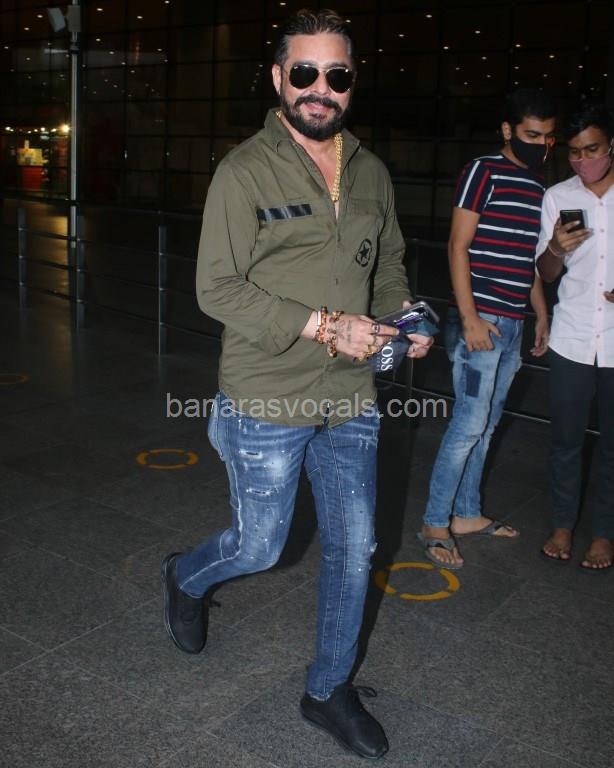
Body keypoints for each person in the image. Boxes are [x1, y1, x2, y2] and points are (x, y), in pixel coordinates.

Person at [160, 8, 432, 759]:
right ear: (279, 77)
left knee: (356, 547)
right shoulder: (244, 171)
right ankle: (185, 577)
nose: (321, 89)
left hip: (350, 398)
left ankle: (328, 690)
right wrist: (326, 325)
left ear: (352, 82)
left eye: (336, 75)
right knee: (260, 545)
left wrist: (404, 318)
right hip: (268, 395)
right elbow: (216, 288)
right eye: (305, 72)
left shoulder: (371, 172)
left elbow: (387, 266)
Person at [418, 88, 555, 568]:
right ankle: (434, 522)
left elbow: (527, 259)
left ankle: (467, 513)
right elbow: (458, 246)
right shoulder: (484, 171)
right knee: (468, 425)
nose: (542, 145)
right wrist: (470, 316)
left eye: (549, 137)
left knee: (488, 424)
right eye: (532, 135)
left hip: (513, 322)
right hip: (481, 321)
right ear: (507, 130)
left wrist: (541, 313)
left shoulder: (537, 184)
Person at [537, 101, 614, 570]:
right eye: (575, 153)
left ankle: (603, 533)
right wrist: (554, 248)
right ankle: (563, 524)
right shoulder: (558, 197)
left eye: (593, 150)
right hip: (571, 337)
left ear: (611, 146)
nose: (583, 161)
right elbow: (546, 273)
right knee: (565, 440)